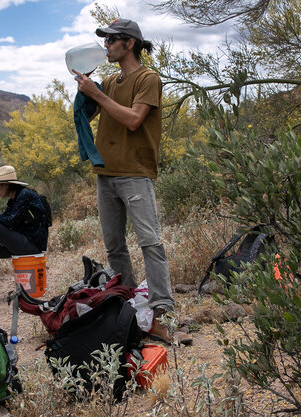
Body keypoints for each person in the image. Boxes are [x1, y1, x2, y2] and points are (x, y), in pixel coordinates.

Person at [74, 19, 190, 345]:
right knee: (114, 247)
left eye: (111, 40)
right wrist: (86, 94)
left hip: (135, 174)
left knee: (150, 243)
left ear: (128, 43)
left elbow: (134, 120)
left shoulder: (147, 78)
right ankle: (132, 310)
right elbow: (96, 114)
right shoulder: (110, 81)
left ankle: (162, 312)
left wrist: (98, 93)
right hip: (106, 175)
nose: (106, 46)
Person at [0, 165, 48, 295]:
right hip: (20, 241)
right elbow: (7, 222)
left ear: (5, 185)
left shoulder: (25, 195)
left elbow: (10, 222)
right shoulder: (15, 199)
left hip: (31, 245)